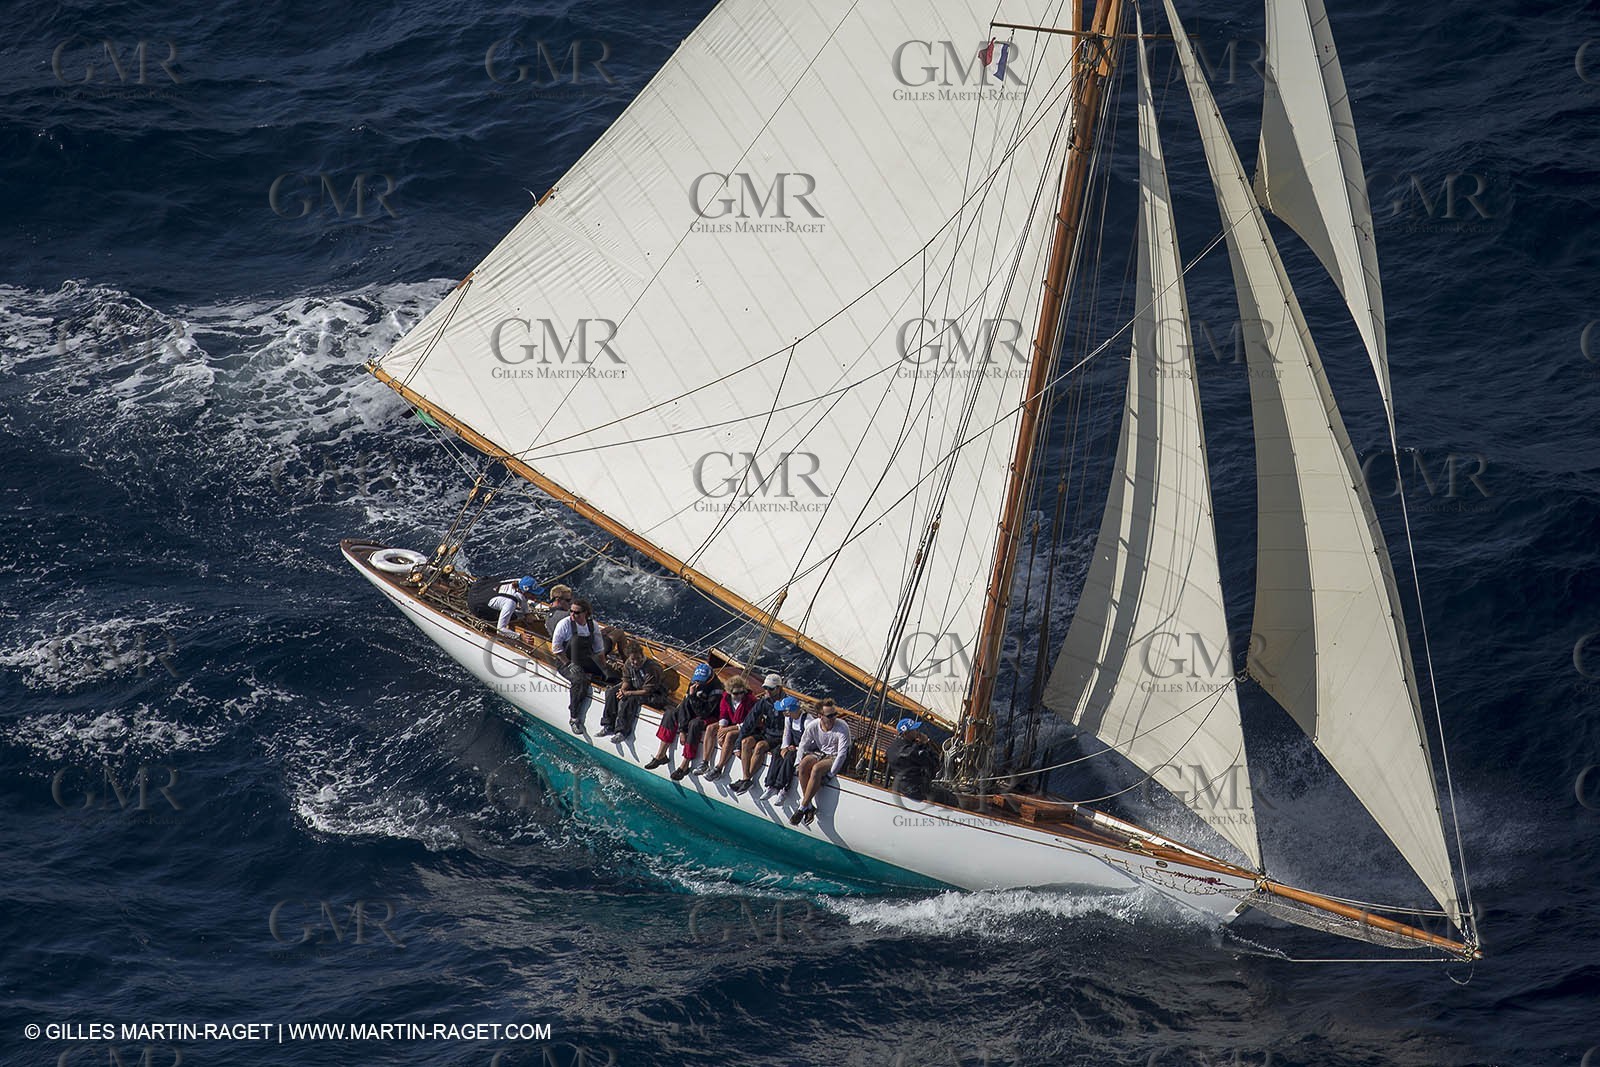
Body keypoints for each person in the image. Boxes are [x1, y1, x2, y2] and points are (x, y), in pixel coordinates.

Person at [550, 597, 618, 732]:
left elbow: (599, 651)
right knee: (579, 680)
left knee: (615, 677)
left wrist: (604, 670)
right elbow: (556, 649)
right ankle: (574, 717)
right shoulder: (564, 624)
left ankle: (613, 715)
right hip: (566, 661)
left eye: (577, 612)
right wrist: (568, 664)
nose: (572, 615)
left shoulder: (593, 626)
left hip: (586, 659)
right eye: (571, 611)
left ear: (586, 613)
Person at [650, 664, 723, 773]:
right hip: (696, 709)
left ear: (709, 679)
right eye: (696, 681)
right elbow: (685, 705)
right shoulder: (694, 683)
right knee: (670, 713)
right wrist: (682, 729)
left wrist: (693, 697)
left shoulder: (717, 690)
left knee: (694, 724)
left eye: (700, 682)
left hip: (709, 715)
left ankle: (685, 763)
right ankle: (661, 754)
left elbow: (704, 713)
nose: (697, 684)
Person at [790, 701, 851, 826]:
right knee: (803, 766)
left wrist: (831, 774)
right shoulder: (813, 726)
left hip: (834, 756)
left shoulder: (842, 727)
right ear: (820, 716)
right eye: (830, 716)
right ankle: (809, 806)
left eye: (835, 714)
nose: (834, 718)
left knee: (816, 769)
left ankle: (802, 808)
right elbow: (803, 744)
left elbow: (841, 754)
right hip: (820, 752)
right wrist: (797, 762)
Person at [600, 640, 668, 741]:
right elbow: (627, 680)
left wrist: (628, 693)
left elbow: (647, 691)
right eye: (633, 659)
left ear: (642, 655)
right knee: (612, 692)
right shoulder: (628, 663)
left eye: (638, 658)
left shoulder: (652, 668)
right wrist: (622, 691)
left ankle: (622, 731)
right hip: (636, 687)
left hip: (654, 694)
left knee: (630, 700)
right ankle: (608, 724)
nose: (635, 662)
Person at [732, 694, 799, 794]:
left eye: (771, 689)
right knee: (745, 742)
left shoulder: (788, 714)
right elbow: (749, 721)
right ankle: (745, 778)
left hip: (778, 738)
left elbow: (789, 733)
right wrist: (738, 745)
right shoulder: (764, 702)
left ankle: (747, 780)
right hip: (766, 734)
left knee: (760, 746)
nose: (767, 691)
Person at [699, 677, 755, 779]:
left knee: (730, 735)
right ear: (729, 692)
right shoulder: (725, 698)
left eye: (741, 692)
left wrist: (727, 730)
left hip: (745, 727)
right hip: (731, 722)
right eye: (736, 693)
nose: (739, 695)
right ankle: (705, 762)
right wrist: (721, 730)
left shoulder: (750, 700)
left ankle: (718, 768)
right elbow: (723, 713)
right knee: (710, 728)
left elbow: (750, 721)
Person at [760, 697, 810, 800]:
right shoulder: (789, 718)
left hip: (806, 749)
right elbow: (786, 734)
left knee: (790, 756)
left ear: (790, 711)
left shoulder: (808, 722)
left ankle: (783, 787)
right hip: (794, 746)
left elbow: (807, 743)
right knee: (777, 752)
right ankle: (770, 784)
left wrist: (795, 748)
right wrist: (784, 747)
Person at [885, 717, 942, 802]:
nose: (917, 731)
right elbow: (935, 764)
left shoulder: (891, 748)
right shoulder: (913, 752)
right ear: (906, 733)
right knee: (949, 798)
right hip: (915, 791)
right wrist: (926, 744)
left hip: (899, 786)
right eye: (914, 730)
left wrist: (918, 745)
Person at [467, 574, 537, 638]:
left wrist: (527, 613)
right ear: (525, 592)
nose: (535, 597)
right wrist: (520, 637)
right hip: (475, 604)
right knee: (515, 616)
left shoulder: (518, 582)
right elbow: (500, 630)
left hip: (481, 590)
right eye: (533, 594)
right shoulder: (510, 603)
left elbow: (522, 597)